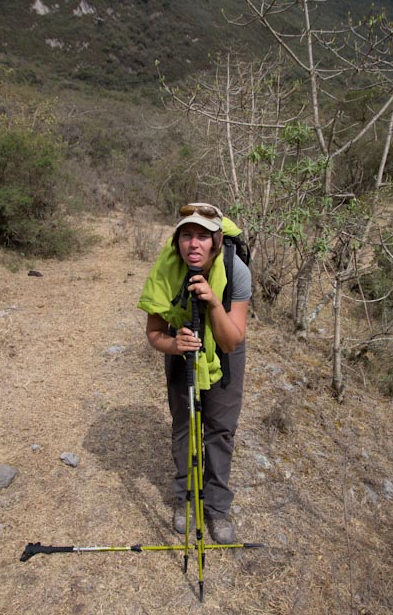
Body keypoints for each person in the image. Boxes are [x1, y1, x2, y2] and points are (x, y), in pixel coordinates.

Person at [137, 202, 251, 544]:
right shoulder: (165, 270)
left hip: (224, 350)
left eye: (203, 236)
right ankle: (186, 497)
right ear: (177, 241)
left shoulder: (237, 270)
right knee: (185, 424)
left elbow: (231, 341)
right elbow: (154, 333)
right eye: (187, 235)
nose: (194, 244)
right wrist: (175, 346)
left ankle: (216, 508)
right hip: (181, 347)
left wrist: (214, 302)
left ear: (216, 241)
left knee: (220, 429)